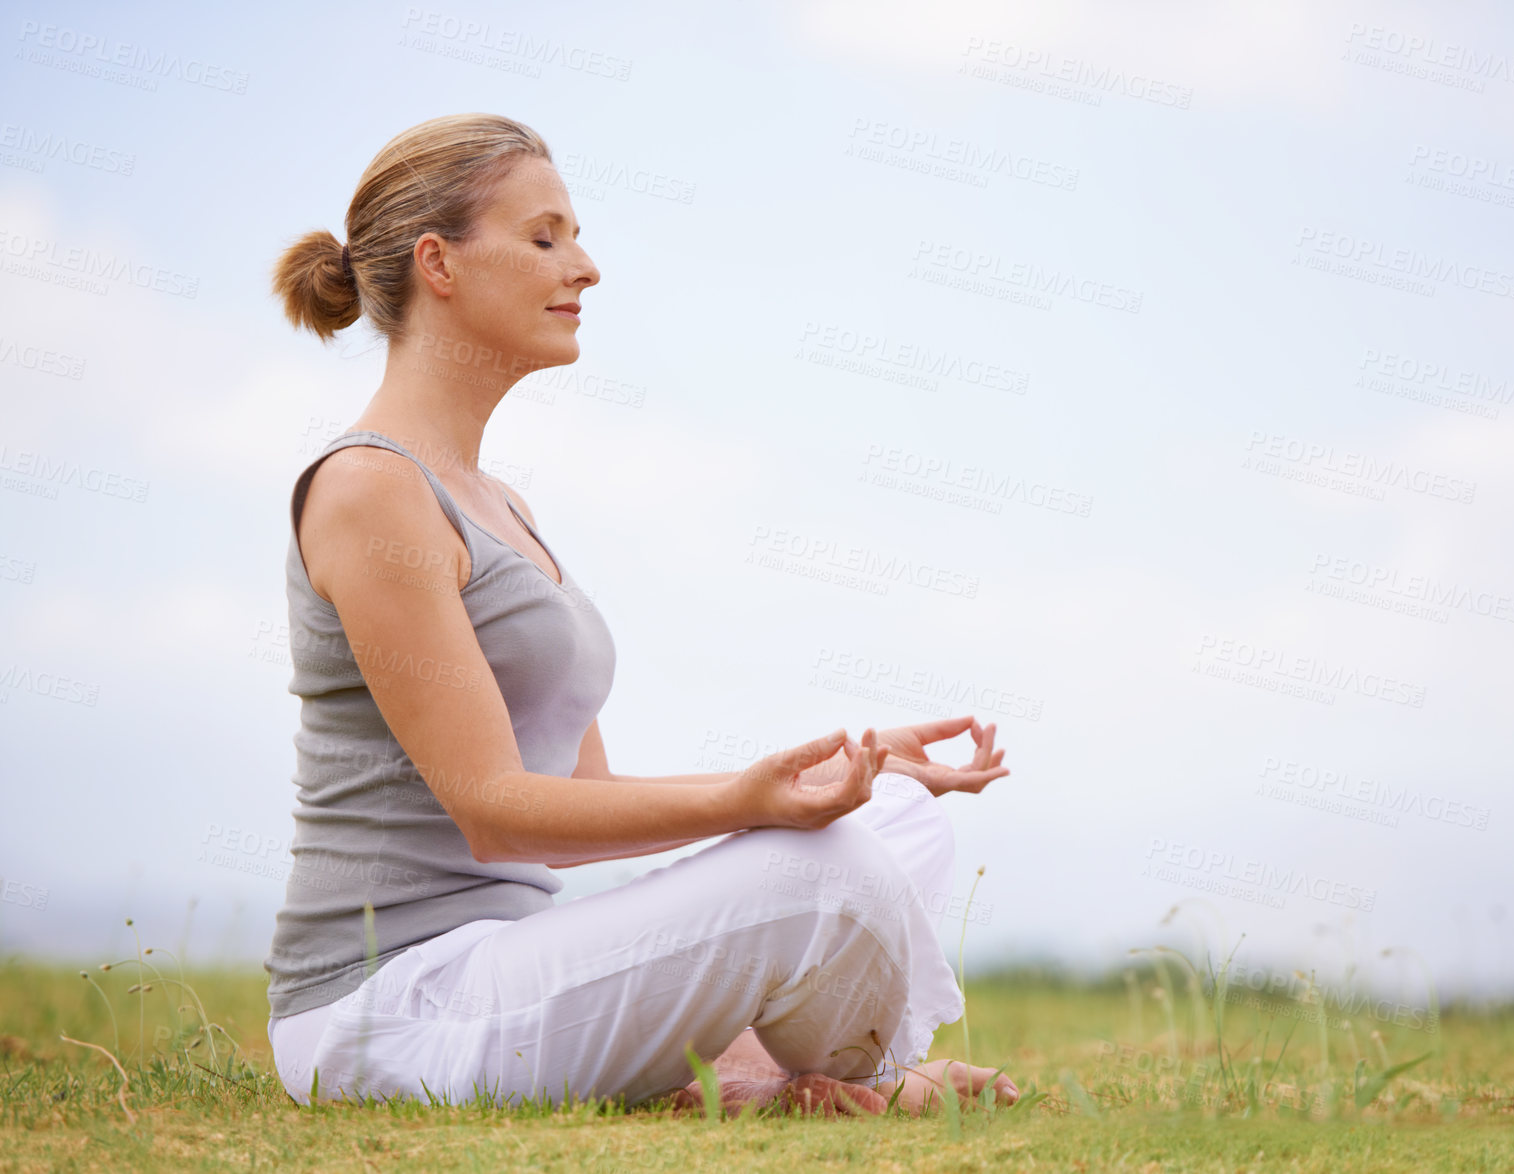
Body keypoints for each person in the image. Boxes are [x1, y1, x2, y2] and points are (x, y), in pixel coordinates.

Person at [262, 113, 1016, 1117]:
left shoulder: (502, 505)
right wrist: (755, 801)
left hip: (505, 966)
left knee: (893, 817)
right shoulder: (368, 490)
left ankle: (761, 1077)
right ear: (437, 263)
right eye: (545, 237)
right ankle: (844, 1082)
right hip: (390, 1007)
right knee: (825, 873)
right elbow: (493, 812)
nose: (586, 267)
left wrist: (825, 771)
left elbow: (579, 814)